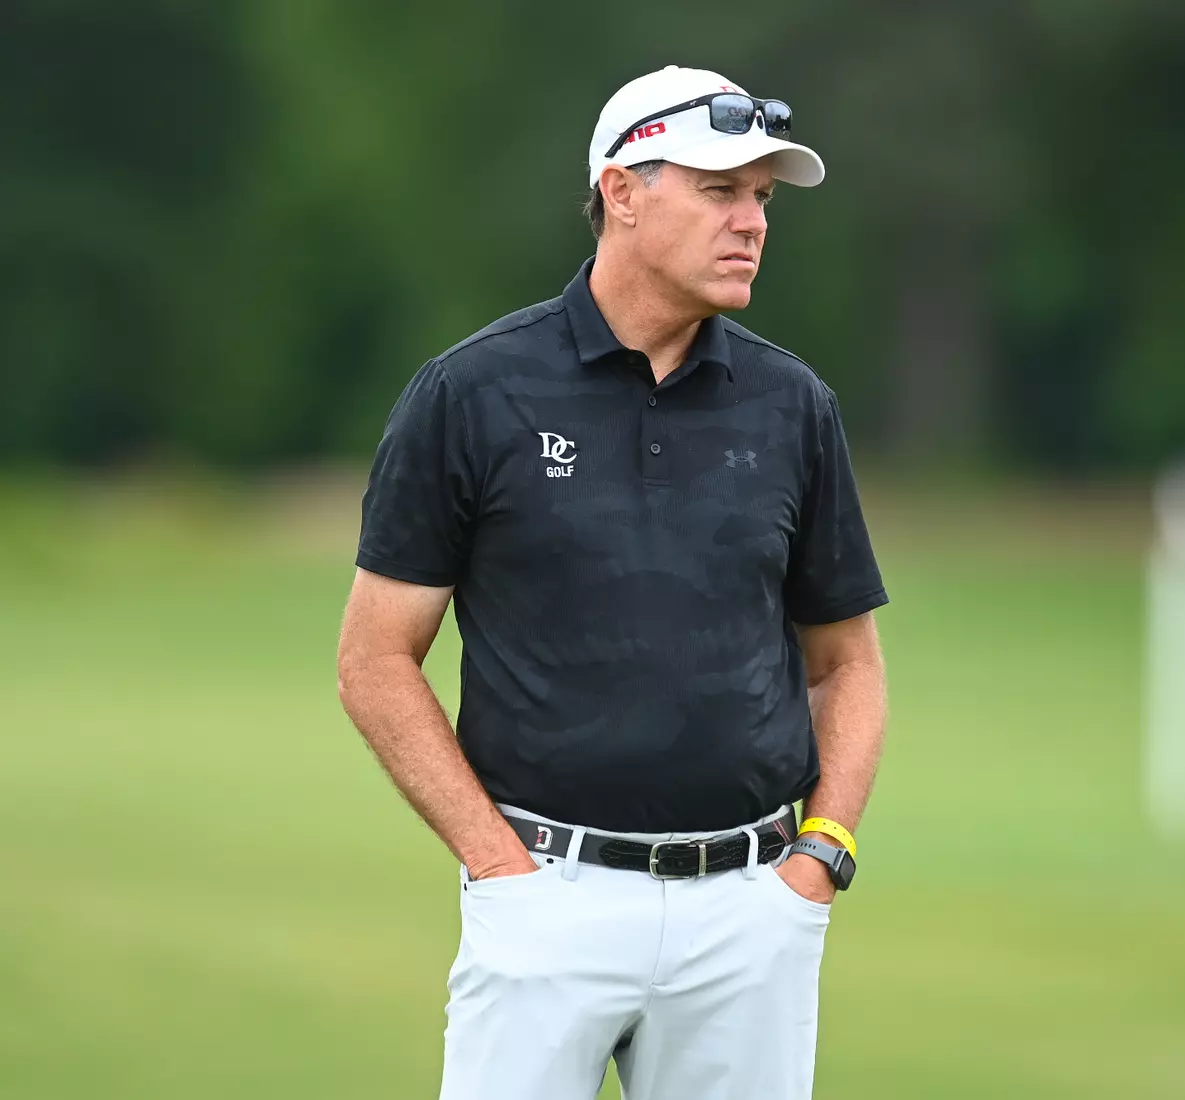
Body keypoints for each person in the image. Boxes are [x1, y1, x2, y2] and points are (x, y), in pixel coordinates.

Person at [336, 64, 889, 1100]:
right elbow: (373, 658)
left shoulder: (794, 406)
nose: (752, 223)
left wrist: (820, 859)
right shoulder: (471, 393)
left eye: (762, 198)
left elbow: (846, 663)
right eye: (721, 191)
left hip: (751, 912)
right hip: (546, 897)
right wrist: (496, 862)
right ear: (623, 192)